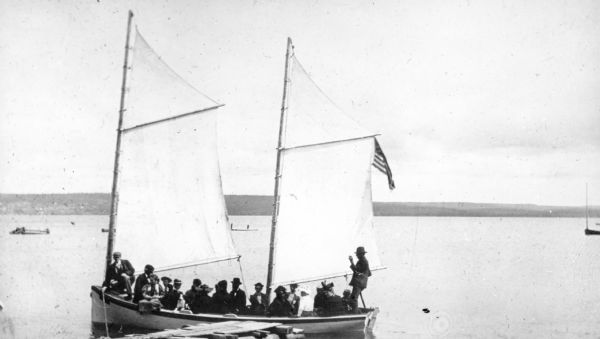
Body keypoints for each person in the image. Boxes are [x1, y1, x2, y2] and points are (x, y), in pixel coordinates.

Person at [348, 246, 371, 313]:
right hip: (361, 282)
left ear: (362, 254)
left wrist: (351, 261)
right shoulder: (363, 260)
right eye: (357, 254)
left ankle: (355, 313)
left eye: (358, 254)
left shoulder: (363, 261)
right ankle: (356, 311)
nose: (357, 256)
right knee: (353, 298)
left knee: (353, 299)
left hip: (359, 283)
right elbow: (368, 273)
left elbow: (356, 270)